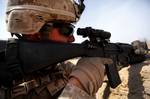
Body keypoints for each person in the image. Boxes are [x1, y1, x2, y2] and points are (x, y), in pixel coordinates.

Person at [1, 0, 112, 99]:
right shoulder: (4, 82)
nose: (72, 38)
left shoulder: (61, 68)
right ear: (35, 31)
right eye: (67, 30)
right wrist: (80, 85)